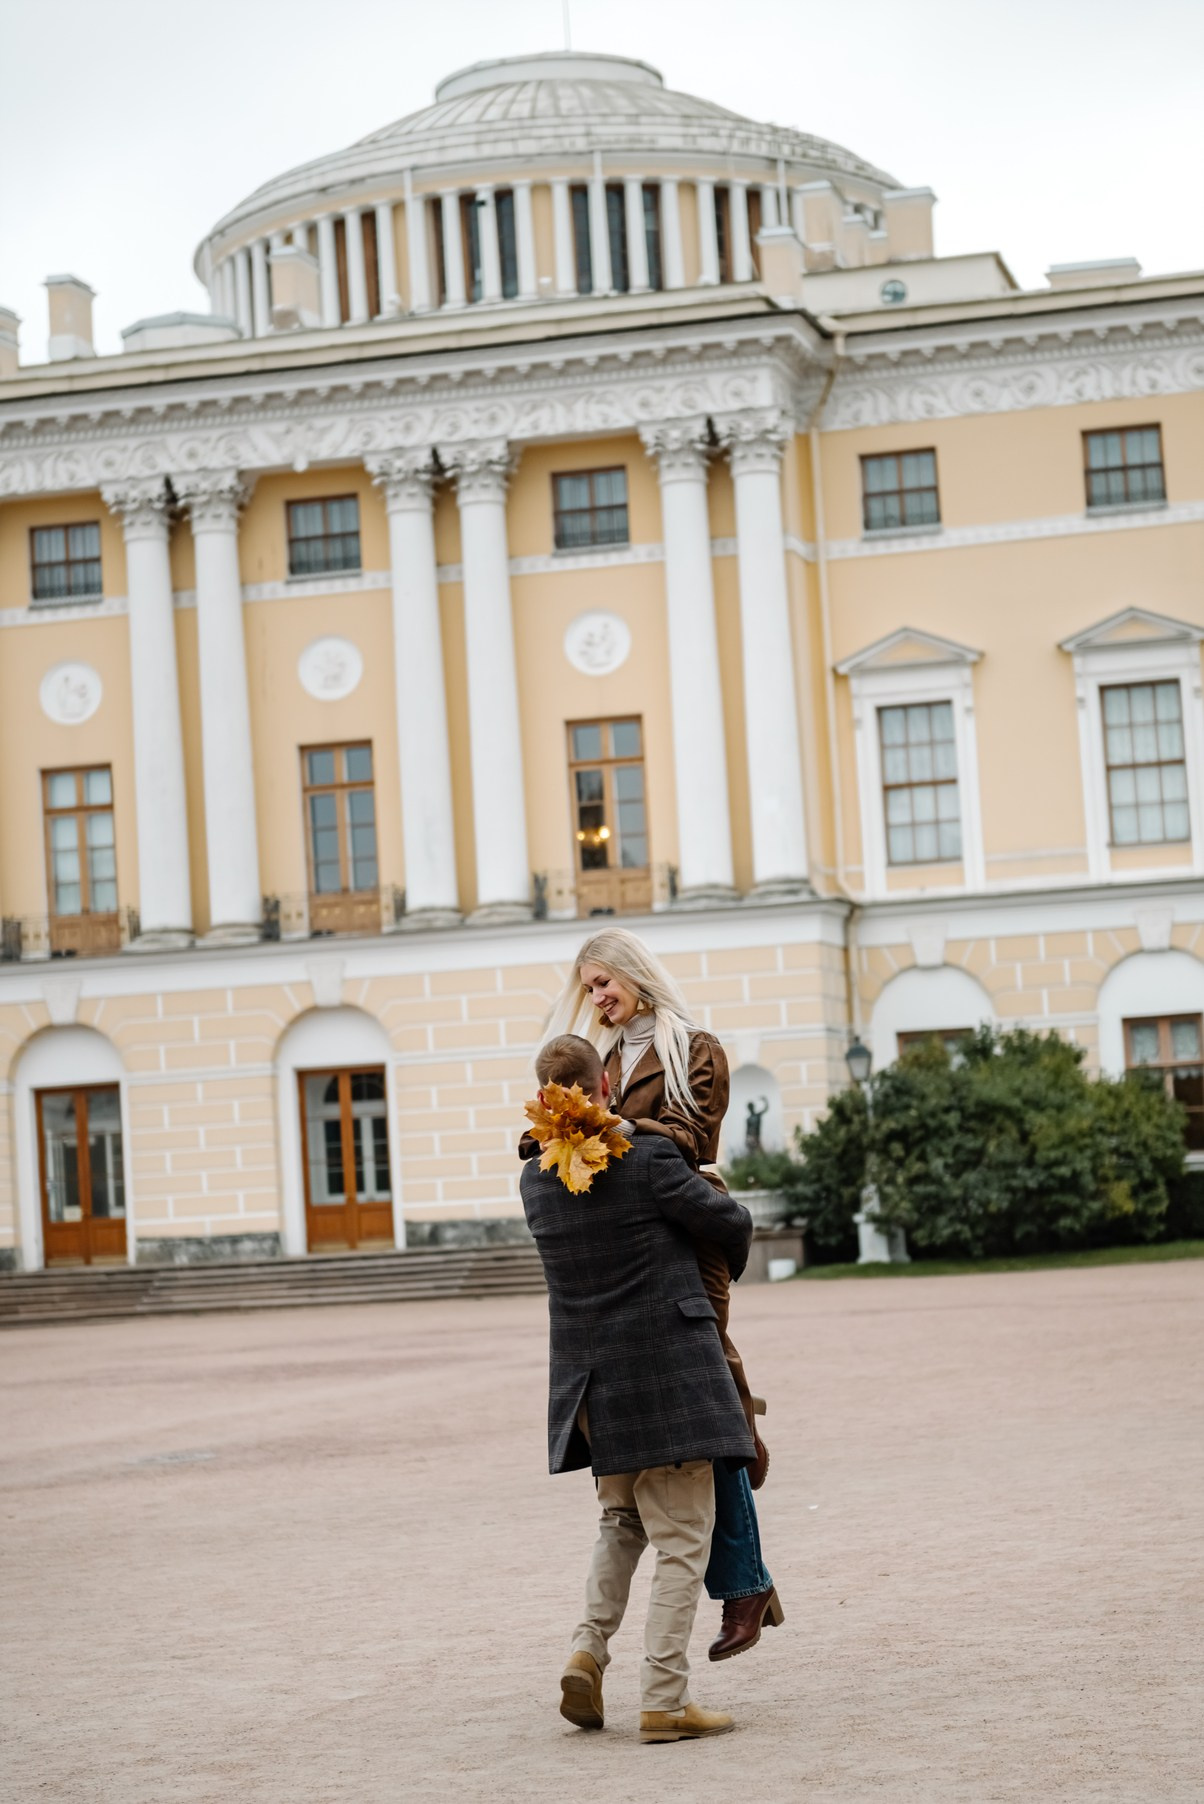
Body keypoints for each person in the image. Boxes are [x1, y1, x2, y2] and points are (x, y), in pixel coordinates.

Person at [523, 926, 781, 1662]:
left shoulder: (693, 1047)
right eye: (590, 988)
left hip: (689, 1236)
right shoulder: (603, 1057)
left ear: (637, 975)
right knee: (703, 1414)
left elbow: (692, 1137)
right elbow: (572, 1126)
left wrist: (606, 1124)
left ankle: (744, 1580)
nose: (598, 998)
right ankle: (747, 1582)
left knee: (709, 1396)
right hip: (639, 1236)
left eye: (606, 983)